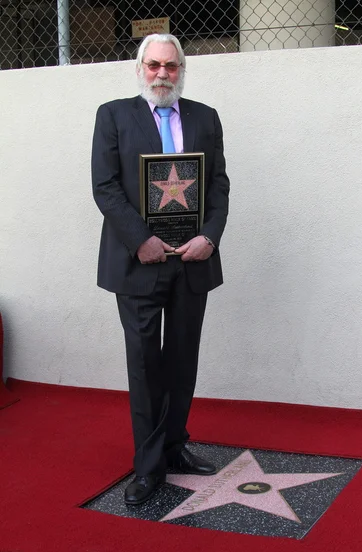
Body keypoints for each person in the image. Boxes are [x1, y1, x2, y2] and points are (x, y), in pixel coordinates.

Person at [91, 33, 229, 505]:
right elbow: (105, 187)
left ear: (182, 69)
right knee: (146, 364)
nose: (162, 74)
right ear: (139, 68)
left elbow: (219, 186)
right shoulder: (113, 115)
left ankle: (174, 448)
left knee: (182, 359)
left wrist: (208, 237)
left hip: (192, 261)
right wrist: (142, 241)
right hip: (137, 263)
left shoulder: (205, 118)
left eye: (170, 66)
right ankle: (147, 468)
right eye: (153, 66)